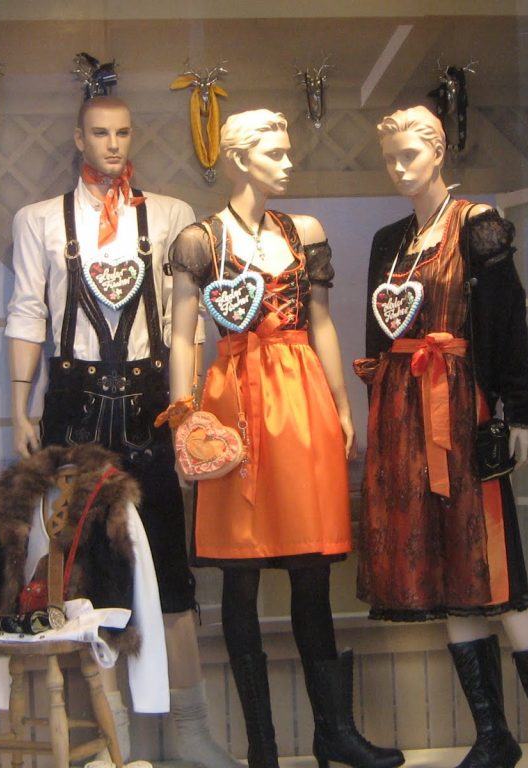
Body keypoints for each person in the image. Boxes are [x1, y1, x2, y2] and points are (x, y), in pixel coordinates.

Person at [166, 109, 403, 768]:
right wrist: (184, 419)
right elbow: (181, 335)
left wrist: (342, 403)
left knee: (312, 569)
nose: (288, 162)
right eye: (275, 152)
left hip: (301, 400)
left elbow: (320, 321)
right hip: (233, 404)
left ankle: (334, 733)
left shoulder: (305, 232)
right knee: (238, 576)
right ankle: (263, 749)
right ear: (241, 159)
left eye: (288, 149)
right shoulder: (199, 240)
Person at [355, 105, 528, 768]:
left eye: (409, 154)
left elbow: (506, 317)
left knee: (500, 575)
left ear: (438, 152)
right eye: (390, 158)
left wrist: (523, 410)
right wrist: (382, 417)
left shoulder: (477, 224)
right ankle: (493, 736)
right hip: (404, 421)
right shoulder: (388, 241)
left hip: (461, 412)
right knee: (449, 576)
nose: (399, 168)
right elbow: (378, 339)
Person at [4, 96, 235, 768]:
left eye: (123, 132)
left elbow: (188, 320)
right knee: (86, 570)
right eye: (100, 132)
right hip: (71, 407)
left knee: (168, 569)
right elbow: (27, 312)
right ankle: (117, 741)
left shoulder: (170, 215)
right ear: (78, 137)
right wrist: (20, 408)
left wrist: (191, 410)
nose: (112, 144)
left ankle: (191, 733)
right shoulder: (38, 220)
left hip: (151, 404)